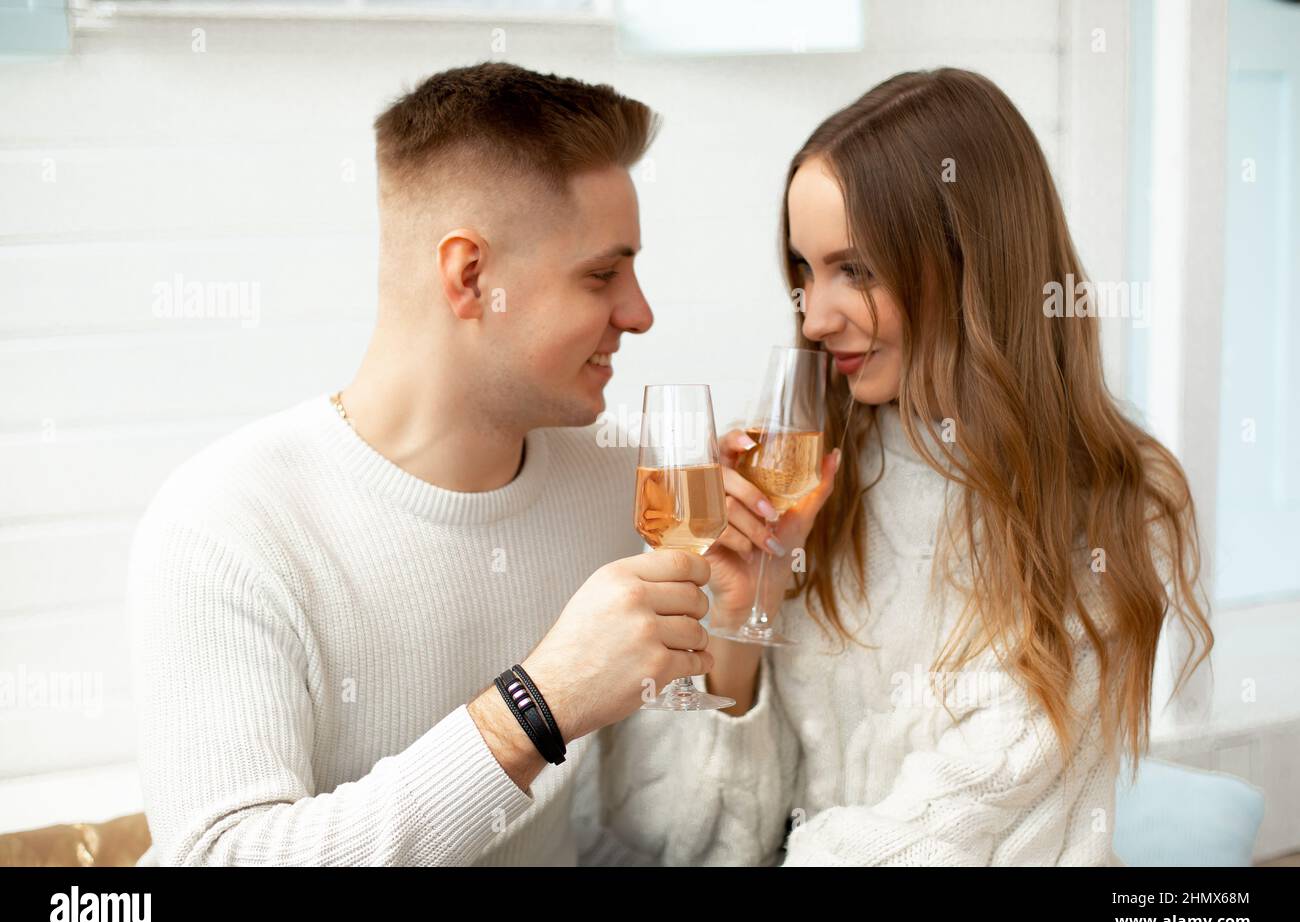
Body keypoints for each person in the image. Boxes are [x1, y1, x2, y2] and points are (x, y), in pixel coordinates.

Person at [597, 68, 1215, 866]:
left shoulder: (1112, 503)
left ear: (972, 261)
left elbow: (961, 832)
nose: (815, 317)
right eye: (805, 272)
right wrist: (742, 612)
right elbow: (685, 838)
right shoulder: (811, 479)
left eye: (855, 269)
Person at [127, 62, 716, 866]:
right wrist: (532, 711)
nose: (640, 314)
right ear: (470, 277)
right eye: (602, 275)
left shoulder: (624, 487)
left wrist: (746, 592)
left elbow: (636, 827)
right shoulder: (225, 527)